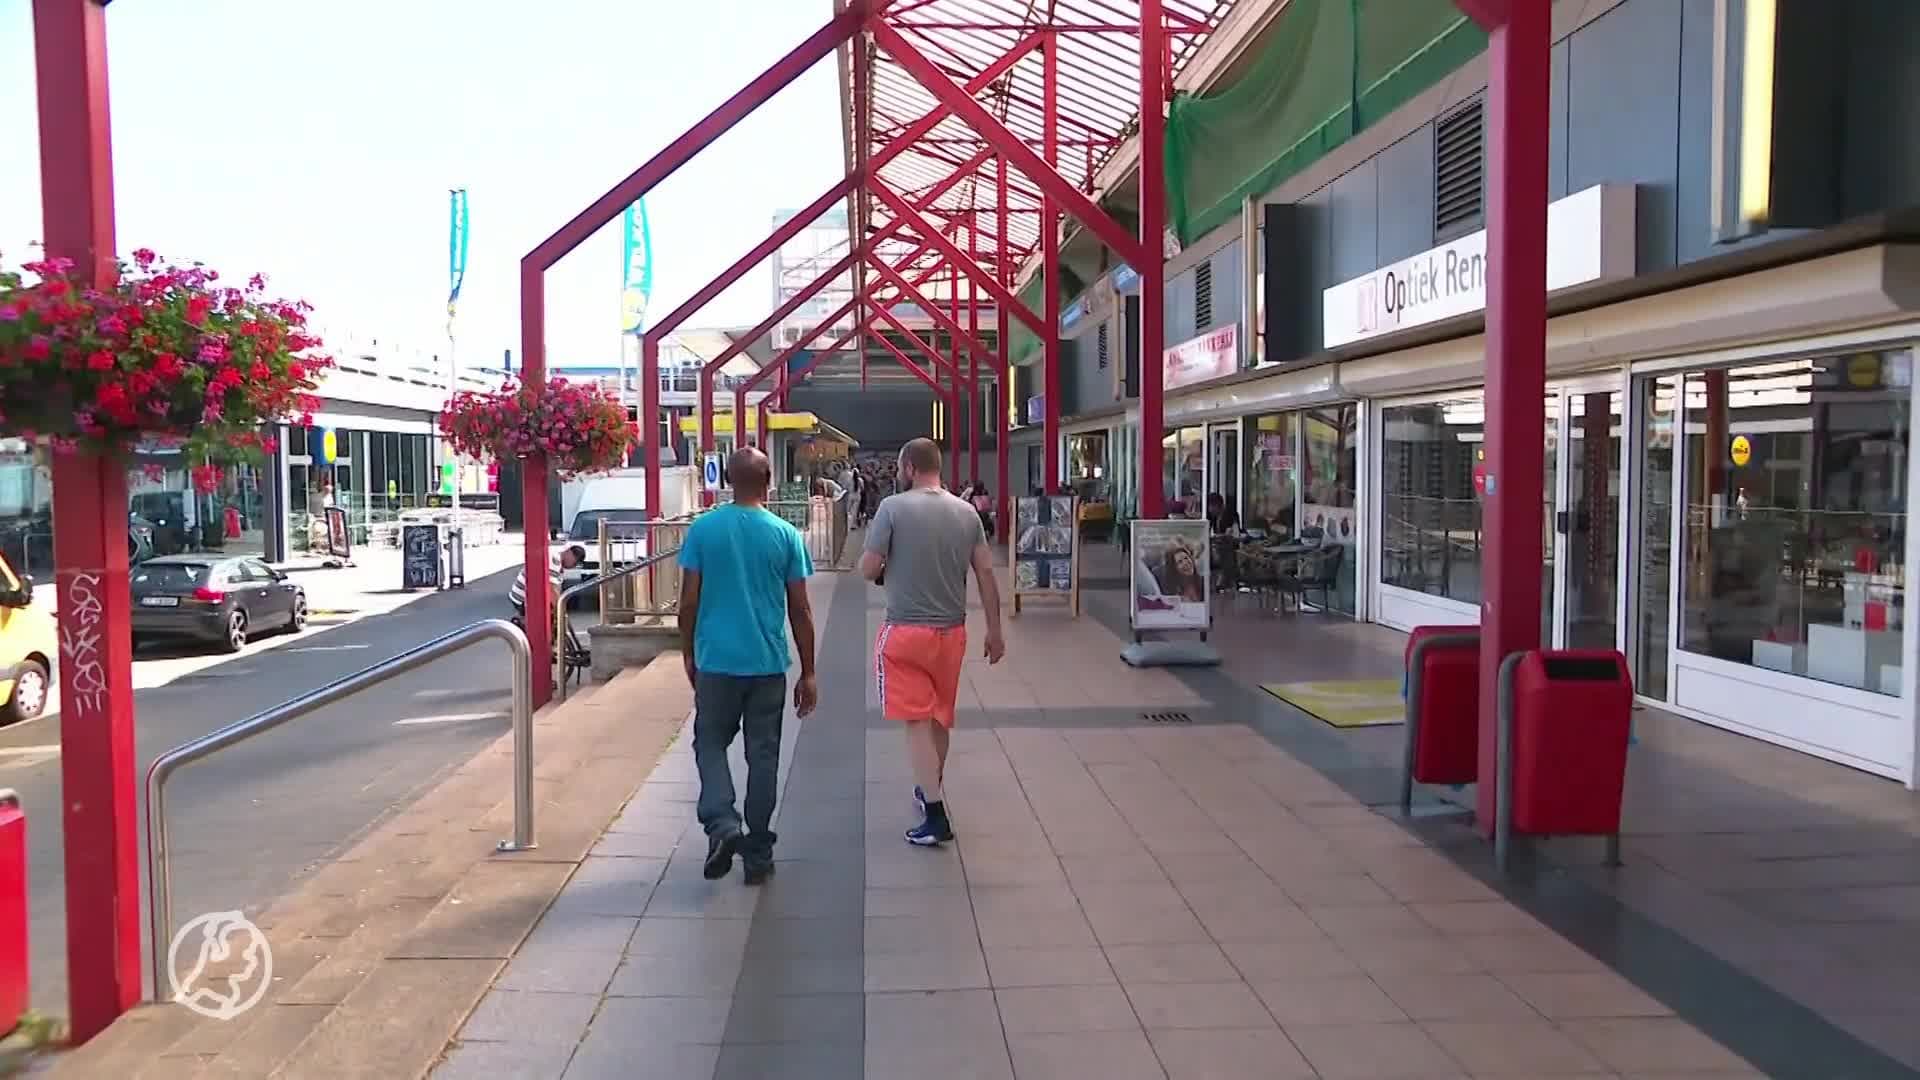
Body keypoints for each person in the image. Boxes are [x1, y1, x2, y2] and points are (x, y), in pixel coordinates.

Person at [678, 447, 818, 885]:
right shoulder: (785, 534)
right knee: (763, 757)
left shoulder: (703, 530)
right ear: (769, 480)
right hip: (767, 663)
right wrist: (809, 671)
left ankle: (722, 824)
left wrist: (688, 651)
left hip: (716, 662)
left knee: (710, 743)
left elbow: (688, 601)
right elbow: (801, 609)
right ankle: (757, 853)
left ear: (729, 481)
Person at [860, 437, 1005, 847]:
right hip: (952, 633)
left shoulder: (892, 508)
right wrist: (994, 631)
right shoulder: (967, 513)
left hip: (905, 632)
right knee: (939, 716)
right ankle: (930, 789)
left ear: (907, 468)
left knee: (916, 720)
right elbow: (986, 574)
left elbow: (868, 569)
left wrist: (887, 563)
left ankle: (936, 812)